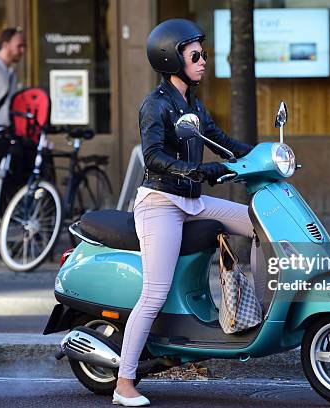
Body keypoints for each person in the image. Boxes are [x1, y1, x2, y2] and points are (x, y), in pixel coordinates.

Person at [112, 19, 264, 407]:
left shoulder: (193, 103)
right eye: (195, 54)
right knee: (154, 293)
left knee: (259, 223)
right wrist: (192, 170)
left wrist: (265, 157)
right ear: (171, 57)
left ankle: (261, 308)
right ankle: (124, 383)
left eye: (203, 53)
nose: (203, 60)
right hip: (160, 203)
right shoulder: (156, 104)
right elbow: (153, 156)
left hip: (193, 202)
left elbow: (222, 141)